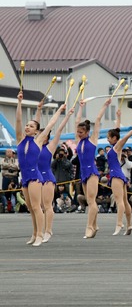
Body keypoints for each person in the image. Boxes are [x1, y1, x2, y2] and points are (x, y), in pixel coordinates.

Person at [15, 91, 64, 246]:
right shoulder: (19, 140)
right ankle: (35, 233)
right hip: (24, 177)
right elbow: (17, 121)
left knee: (37, 207)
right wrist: (19, 102)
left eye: (31, 126)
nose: (27, 127)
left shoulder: (38, 141)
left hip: (35, 177)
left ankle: (41, 235)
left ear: (36, 131)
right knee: (30, 208)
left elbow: (50, 125)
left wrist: (60, 111)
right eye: (27, 125)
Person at [36, 100, 75, 242]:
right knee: (38, 206)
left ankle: (48, 230)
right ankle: (38, 232)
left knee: (47, 205)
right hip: (36, 178)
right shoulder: (35, 146)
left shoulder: (50, 147)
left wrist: (67, 115)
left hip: (47, 177)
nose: (39, 136)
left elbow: (58, 130)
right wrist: (39, 109)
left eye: (42, 134)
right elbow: (35, 124)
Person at [75, 98, 111, 238]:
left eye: (81, 132)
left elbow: (97, 118)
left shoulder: (93, 139)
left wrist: (105, 105)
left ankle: (89, 227)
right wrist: (81, 107)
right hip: (83, 173)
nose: (79, 134)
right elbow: (77, 120)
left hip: (92, 172)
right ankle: (95, 225)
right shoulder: (79, 140)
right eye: (78, 132)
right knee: (90, 200)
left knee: (91, 200)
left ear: (87, 132)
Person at [106, 109, 132, 235]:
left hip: (116, 175)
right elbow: (117, 130)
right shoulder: (115, 146)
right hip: (119, 175)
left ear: (114, 139)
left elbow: (126, 136)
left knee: (119, 201)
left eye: (108, 138)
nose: (107, 140)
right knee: (125, 200)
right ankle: (129, 225)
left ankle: (119, 224)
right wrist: (118, 117)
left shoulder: (117, 146)